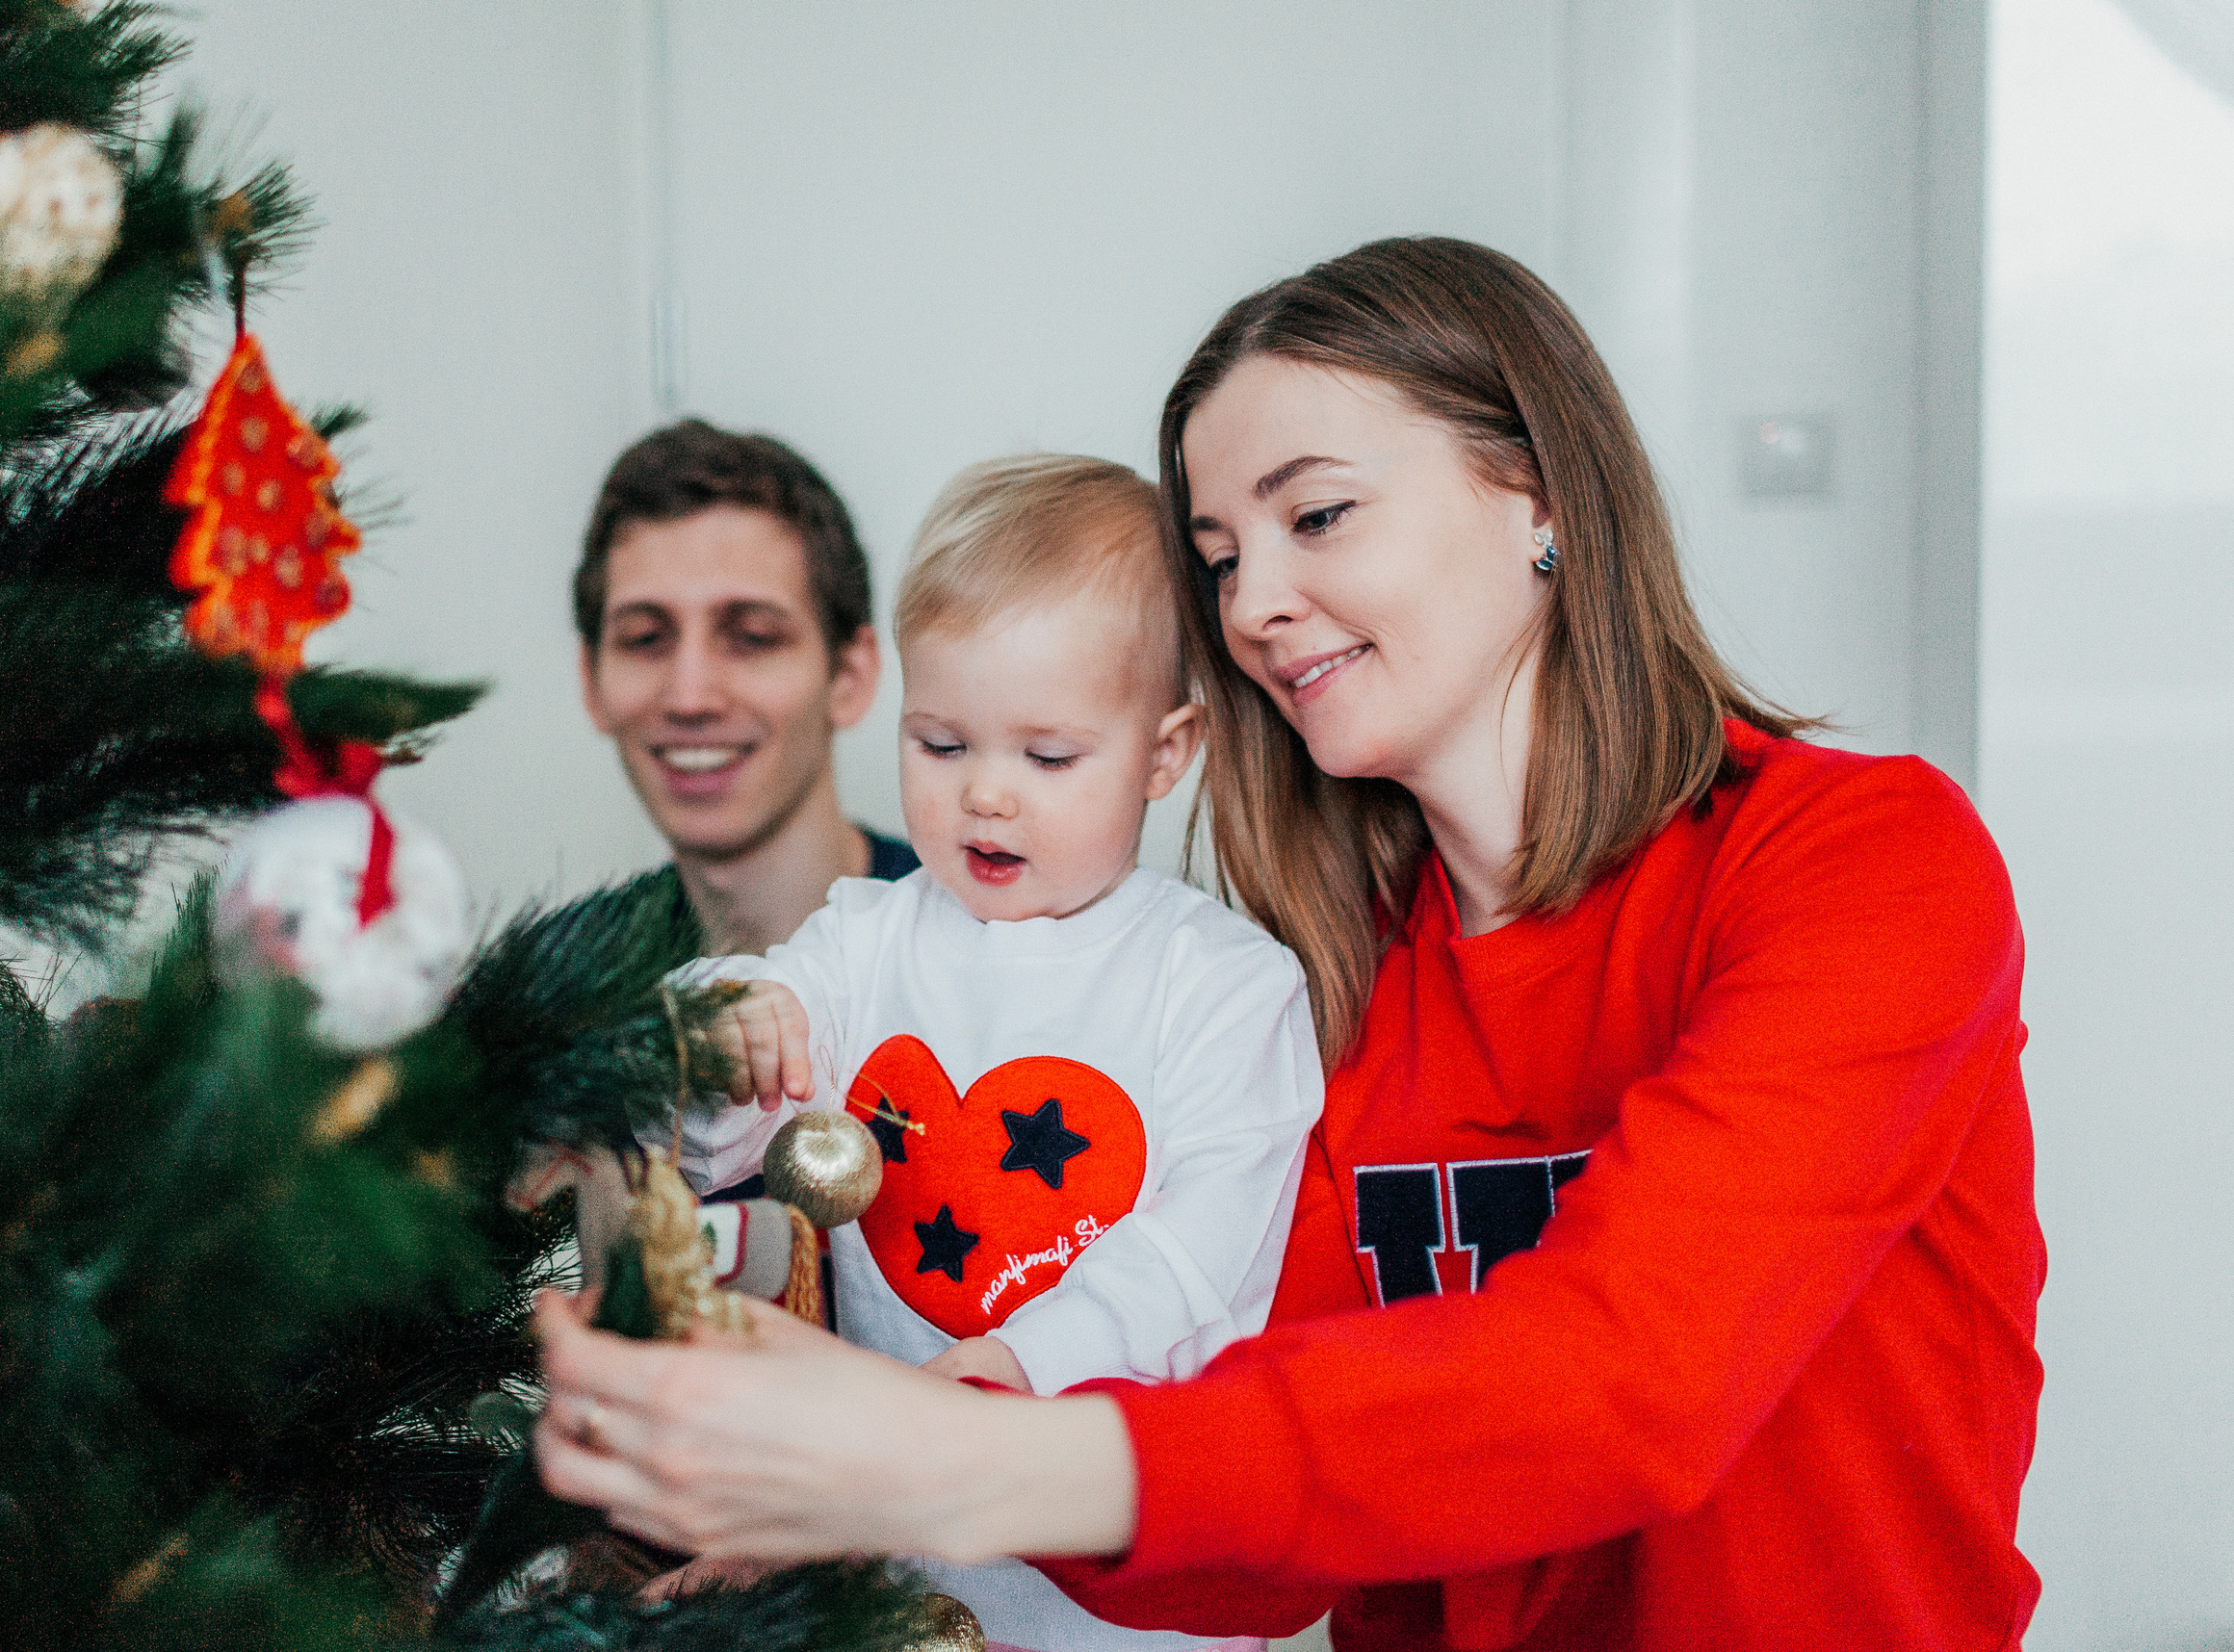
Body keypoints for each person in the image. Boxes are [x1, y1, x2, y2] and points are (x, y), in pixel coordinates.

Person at [532, 239, 2044, 1651]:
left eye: (1315, 516)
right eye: (1218, 556)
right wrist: (867, 1472)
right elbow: (1257, 1532)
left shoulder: (1863, 861)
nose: (1252, 604)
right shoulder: (1328, 983)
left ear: (1539, 497)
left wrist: (946, 1459)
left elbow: (1635, 1375)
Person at [666, 456, 1321, 1652]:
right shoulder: (864, 939)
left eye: (1048, 757)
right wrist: (730, 1028)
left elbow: (1207, 1257)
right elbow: (716, 1133)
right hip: (883, 1557)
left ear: (1164, 752)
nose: (986, 798)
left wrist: (1019, 1362)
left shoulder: (1224, 983)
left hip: (1124, 1591)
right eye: (941, 744)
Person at [575, 418, 916, 962]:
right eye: (645, 639)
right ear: (591, 682)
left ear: (850, 677)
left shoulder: (990, 956)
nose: (689, 698)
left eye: (752, 637)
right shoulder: (549, 986)